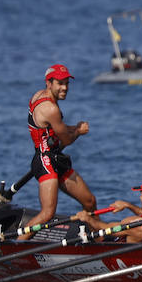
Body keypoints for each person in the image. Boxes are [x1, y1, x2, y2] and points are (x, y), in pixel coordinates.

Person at [24, 64, 97, 228]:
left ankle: (97, 239)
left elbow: (56, 129)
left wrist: (74, 128)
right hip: (45, 161)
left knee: (90, 201)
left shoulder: (39, 95)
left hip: (56, 158)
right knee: (47, 214)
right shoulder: (51, 109)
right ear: (49, 83)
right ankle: (17, 243)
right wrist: (79, 131)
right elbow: (66, 140)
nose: (65, 88)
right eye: (60, 83)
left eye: (67, 83)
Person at [74, 177, 142, 243]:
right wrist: (128, 205)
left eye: (141, 193)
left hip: (117, 252)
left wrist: (88, 219)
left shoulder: (134, 224)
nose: (140, 197)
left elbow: (105, 229)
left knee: (96, 233)